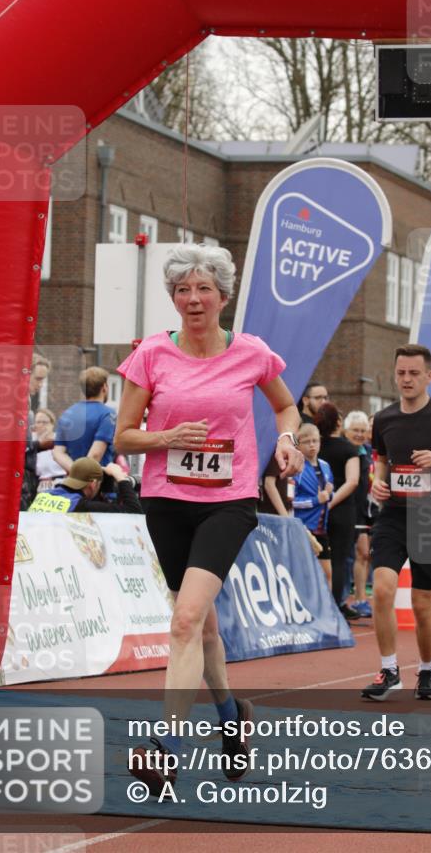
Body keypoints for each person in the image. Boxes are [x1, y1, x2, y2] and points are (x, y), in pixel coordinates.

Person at [113, 243, 303, 797]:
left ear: (223, 297)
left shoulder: (250, 352)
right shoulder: (150, 355)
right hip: (167, 500)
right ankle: (231, 716)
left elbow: (285, 407)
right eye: (182, 290)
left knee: (183, 621)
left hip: (229, 501)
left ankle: (166, 749)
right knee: (202, 625)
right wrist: (166, 438)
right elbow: (125, 434)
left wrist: (287, 439)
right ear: (173, 298)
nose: (193, 300)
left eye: (203, 290)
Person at [362, 344, 431, 703]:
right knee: (382, 589)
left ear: (429, 376)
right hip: (393, 514)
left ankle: (427, 670)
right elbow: (380, 458)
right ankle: (389, 669)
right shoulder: (385, 418)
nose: (406, 379)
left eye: (413, 373)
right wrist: (377, 481)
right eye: (400, 373)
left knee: (423, 604)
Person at [315, 402, 360, 621]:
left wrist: (321, 502)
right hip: (341, 509)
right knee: (339, 560)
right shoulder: (348, 449)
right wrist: (331, 502)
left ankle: (318, 607)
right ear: (339, 423)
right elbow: (352, 482)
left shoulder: (314, 446)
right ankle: (335, 608)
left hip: (315, 508)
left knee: (318, 557)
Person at [53, 367, 117, 474]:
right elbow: (95, 454)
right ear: (104, 387)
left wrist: (75, 473)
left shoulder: (68, 413)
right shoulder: (108, 414)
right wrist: (83, 476)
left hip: (72, 480)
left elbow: (58, 453)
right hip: (98, 479)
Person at [292, 423, 334, 584]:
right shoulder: (297, 467)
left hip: (322, 527)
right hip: (304, 528)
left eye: (315, 441)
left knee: (326, 574)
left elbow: (327, 494)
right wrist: (317, 500)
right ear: (298, 444)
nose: (312, 445)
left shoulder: (325, 466)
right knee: (304, 574)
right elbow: (292, 501)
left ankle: (327, 610)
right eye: (307, 441)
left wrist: (329, 495)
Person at [344, 410, 376, 618]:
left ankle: (360, 598)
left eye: (363, 431)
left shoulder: (366, 452)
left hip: (365, 510)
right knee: (354, 554)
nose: (359, 434)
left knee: (364, 554)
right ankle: (350, 598)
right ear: (346, 430)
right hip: (347, 509)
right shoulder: (345, 450)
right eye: (355, 430)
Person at [28, 457, 142, 513]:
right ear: (93, 484)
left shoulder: (43, 496)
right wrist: (120, 478)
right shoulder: (80, 505)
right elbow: (133, 510)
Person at [20, 354, 52, 510]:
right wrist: (39, 444)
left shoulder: (26, 400)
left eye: (43, 380)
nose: (40, 385)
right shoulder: (18, 401)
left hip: (28, 476)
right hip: (21, 476)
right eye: (38, 379)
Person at [32, 408, 66, 492]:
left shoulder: (60, 440)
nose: (42, 425)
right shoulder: (31, 442)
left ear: (52, 424)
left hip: (59, 483)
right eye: (38, 422)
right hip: (38, 486)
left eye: (45, 422)